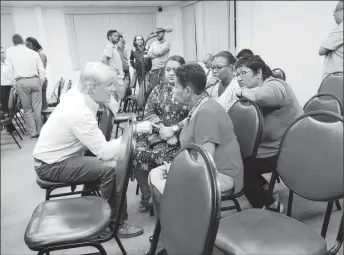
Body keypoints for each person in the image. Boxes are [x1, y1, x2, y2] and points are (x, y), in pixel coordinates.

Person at [33, 62, 144, 238]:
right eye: (109, 85)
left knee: (106, 161)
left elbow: (100, 141)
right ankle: (113, 225)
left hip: (60, 157)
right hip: (51, 165)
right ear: (92, 87)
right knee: (113, 167)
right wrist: (134, 133)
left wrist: (108, 103)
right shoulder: (79, 111)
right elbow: (104, 152)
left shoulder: (79, 94)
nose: (113, 89)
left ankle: (92, 205)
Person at [149, 63, 243, 207]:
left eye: (175, 87)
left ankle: (179, 226)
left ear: (187, 91)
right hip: (206, 169)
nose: (173, 91)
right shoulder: (199, 105)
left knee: (162, 188)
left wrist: (178, 172)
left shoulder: (206, 113)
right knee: (155, 175)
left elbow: (203, 162)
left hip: (220, 174)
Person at [235, 54, 303, 212]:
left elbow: (263, 96)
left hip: (286, 150)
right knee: (235, 157)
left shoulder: (276, 85)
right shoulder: (255, 89)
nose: (239, 78)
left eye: (243, 73)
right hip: (270, 146)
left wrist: (241, 92)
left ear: (258, 73)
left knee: (238, 166)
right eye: (237, 75)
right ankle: (266, 188)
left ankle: (270, 207)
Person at [132, 55, 189, 213]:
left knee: (162, 155)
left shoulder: (189, 91)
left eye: (176, 70)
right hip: (156, 133)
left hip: (179, 137)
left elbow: (193, 116)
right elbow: (149, 113)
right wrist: (163, 128)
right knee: (135, 151)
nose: (171, 73)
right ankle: (146, 194)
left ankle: (167, 196)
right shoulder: (158, 90)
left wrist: (174, 129)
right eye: (168, 69)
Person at [6, 34, 46, 139]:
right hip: (35, 80)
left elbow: (9, 70)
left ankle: (33, 133)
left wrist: (14, 83)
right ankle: (40, 131)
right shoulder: (33, 53)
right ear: (23, 42)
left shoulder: (10, 52)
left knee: (27, 109)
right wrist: (40, 82)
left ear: (14, 42)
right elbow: (42, 70)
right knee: (37, 108)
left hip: (22, 81)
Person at [319, 1, 343, 80]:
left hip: (336, 79)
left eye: (335, 11)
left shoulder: (342, 27)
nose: (333, 14)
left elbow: (322, 50)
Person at [144, 28, 171, 96]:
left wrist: (153, 53)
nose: (157, 34)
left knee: (164, 88)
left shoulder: (167, 43)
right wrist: (156, 54)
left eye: (159, 32)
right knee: (152, 88)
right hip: (154, 69)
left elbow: (160, 52)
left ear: (164, 33)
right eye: (156, 33)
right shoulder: (153, 43)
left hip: (163, 69)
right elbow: (148, 55)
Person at [25, 37, 48, 110]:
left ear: (34, 45)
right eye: (26, 45)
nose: (27, 47)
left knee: (41, 106)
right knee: (38, 105)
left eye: (28, 45)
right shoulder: (35, 55)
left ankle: (44, 120)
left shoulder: (41, 54)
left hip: (40, 81)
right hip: (37, 81)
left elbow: (40, 70)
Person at [101, 29, 124, 100]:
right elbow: (104, 59)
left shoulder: (114, 47)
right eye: (115, 36)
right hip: (114, 76)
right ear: (110, 37)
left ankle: (115, 110)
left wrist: (119, 35)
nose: (117, 37)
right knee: (116, 97)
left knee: (118, 97)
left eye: (118, 36)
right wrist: (110, 72)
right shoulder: (109, 46)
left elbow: (121, 40)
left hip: (117, 76)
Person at [1, 47, 13, 113]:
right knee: (5, 106)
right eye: (2, 52)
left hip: (11, 86)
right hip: (3, 86)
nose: (4, 53)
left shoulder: (8, 62)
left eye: (4, 51)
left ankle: (9, 117)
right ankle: (8, 119)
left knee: (12, 106)